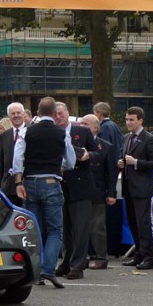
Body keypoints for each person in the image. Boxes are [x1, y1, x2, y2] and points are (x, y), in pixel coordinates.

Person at [12, 97, 76, 288]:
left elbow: (17, 159)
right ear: (55, 113)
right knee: (55, 230)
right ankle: (49, 269)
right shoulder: (62, 133)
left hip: (30, 181)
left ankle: (37, 270)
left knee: (35, 229)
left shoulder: (26, 131)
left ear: (38, 112)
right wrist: (60, 165)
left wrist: (18, 182)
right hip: (52, 182)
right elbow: (71, 161)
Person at [54, 102, 99, 280]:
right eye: (55, 114)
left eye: (60, 113)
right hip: (59, 186)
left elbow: (99, 153)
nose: (58, 116)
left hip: (81, 187)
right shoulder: (52, 134)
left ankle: (77, 266)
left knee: (80, 229)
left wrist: (89, 156)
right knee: (64, 229)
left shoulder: (83, 132)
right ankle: (66, 262)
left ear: (67, 113)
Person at [119, 106, 153, 270]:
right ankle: (139, 253)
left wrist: (136, 162)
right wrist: (122, 163)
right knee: (133, 223)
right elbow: (124, 158)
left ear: (140, 120)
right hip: (128, 186)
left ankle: (149, 257)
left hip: (142, 188)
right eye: (127, 119)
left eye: (132, 120)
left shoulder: (149, 138)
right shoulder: (126, 138)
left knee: (143, 223)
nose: (128, 123)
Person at [79, 114, 118, 269]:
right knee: (80, 227)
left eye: (86, 124)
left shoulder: (105, 146)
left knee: (97, 227)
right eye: (81, 123)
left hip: (97, 191)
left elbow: (111, 171)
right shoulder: (74, 143)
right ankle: (83, 256)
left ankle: (101, 256)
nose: (82, 126)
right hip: (79, 191)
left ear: (96, 127)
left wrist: (111, 193)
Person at [93, 101, 124, 255]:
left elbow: (103, 152)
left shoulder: (104, 128)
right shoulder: (115, 127)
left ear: (98, 113)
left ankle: (100, 252)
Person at [0, 102, 26, 206]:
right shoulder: (4, 136)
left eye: (18, 112)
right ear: (9, 116)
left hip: (26, 185)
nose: (16, 115)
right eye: (13, 113)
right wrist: (1, 185)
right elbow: (1, 163)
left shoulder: (31, 132)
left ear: (23, 114)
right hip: (8, 187)